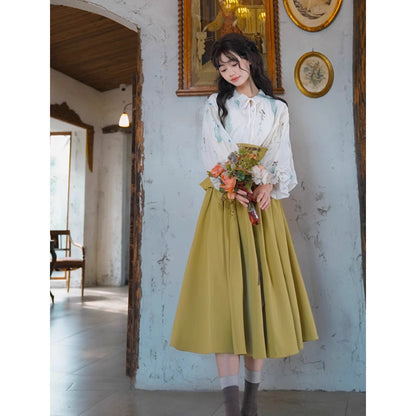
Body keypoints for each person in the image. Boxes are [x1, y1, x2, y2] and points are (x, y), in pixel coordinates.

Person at [170, 33, 318, 416]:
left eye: (234, 62)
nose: (229, 71)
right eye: (222, 66)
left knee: (258, 302)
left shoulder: (277, 109)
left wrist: (268, 183)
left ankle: (251, 404)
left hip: (261, 211)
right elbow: (211, 152)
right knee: (225, 301)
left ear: (250, 60)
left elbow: (281, 155)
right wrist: (230, 184)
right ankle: (232, 407)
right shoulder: (215, 106)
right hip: (224, 205)